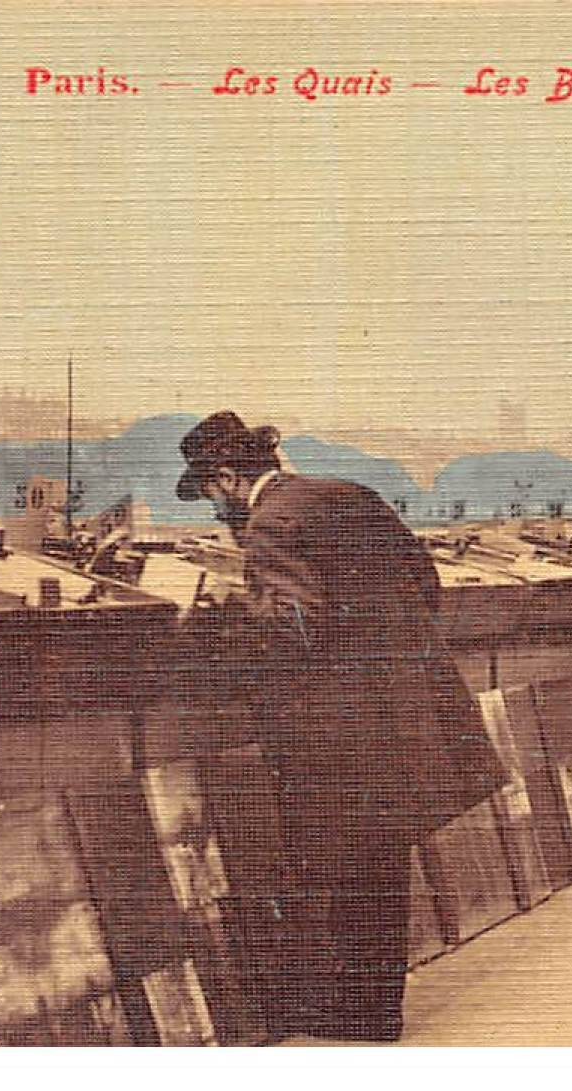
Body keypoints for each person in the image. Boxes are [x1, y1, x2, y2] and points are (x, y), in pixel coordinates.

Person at [174, 410, 508, 1042]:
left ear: (227, 479)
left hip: (339, 732)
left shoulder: (269, 526)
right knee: (381, 866)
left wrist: (221, 624)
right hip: (403, 717)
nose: (215, 511)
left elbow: (294, 625)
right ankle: (376, 1011)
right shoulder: (350, 494)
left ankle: (360, 1016)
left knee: (346, 866)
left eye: (212, 495)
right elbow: (426, 585)